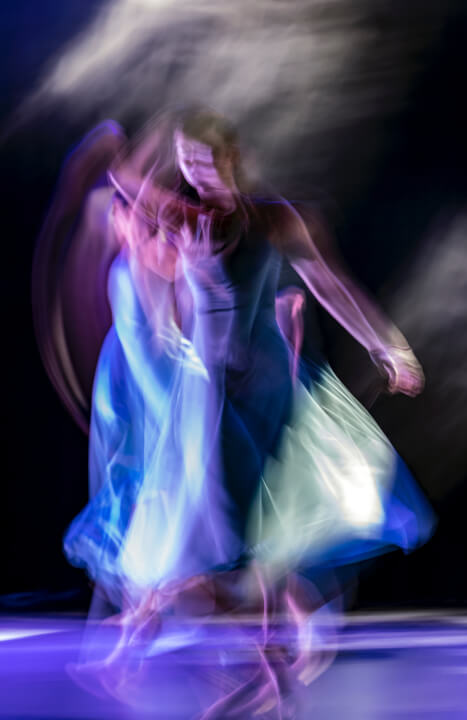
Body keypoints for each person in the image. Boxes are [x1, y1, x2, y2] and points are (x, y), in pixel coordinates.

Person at [36, 108, 434, 716]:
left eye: (205, 161)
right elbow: (128, 187)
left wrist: (387, 345)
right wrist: (106, 151)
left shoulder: (277, 218)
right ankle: (263, 668)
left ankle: (266, 669)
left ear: (232, 159)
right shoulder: (186, 219)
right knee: (222, 535)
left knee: (252, 537)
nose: (195, 175)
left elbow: (331, 284)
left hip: (271, 394)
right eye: (186, 164)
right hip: (214, 398)